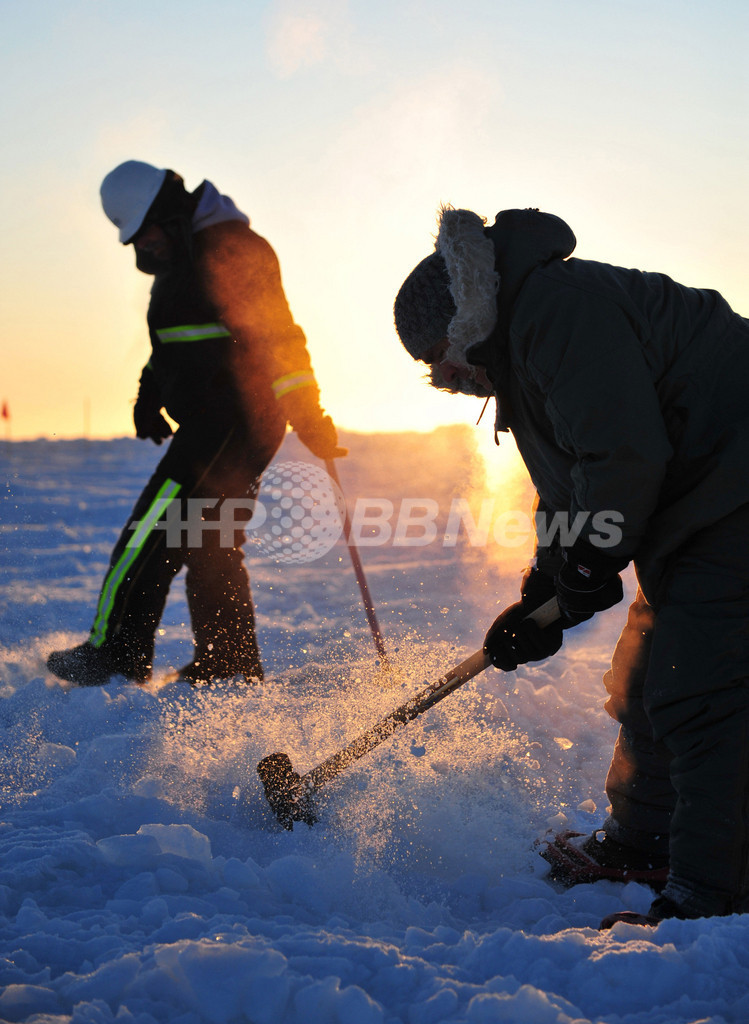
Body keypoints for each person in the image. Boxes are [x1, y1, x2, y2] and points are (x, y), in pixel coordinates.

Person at [393, 204, 749, 929]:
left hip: (733, 489)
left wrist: (589, 562)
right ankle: (642, 841)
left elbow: (623, 454)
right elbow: (573, 482)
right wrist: (545, 588)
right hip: (703, 503)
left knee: (700, 689)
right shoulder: (522, 345)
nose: (440, 375)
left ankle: (713, 893)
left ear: (462, 321)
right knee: (648, 676)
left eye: (435, 356)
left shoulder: (555, 311)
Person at [47, 160, 345, 687]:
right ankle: (229, 663)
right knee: (209, 540)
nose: (146, 247)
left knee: (150, 534)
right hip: (219, 423)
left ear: (170, 213)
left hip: (233, 424)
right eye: (136, 240)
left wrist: (308, 412)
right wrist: (149, 395)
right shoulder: (181, 261)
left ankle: (115, 652)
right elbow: (178, 343)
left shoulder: (233, 251)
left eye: (148, 233)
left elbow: (278, 341)